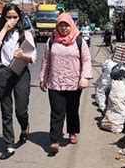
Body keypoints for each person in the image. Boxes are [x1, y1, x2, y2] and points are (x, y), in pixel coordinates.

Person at [39, 13, 93, 154]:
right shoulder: (51, 41)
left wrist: (85, 77)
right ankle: (55, 140)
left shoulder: (79, 41)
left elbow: (86, 60)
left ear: (72, 26)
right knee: (57, 111)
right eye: (61, 25)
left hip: (74, 82)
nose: (64, 28)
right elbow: (46, 61)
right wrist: (43, 78)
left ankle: (72, 132)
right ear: (57, 26)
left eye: (66, 25)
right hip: (55, 82)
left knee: (72, 109)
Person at [0, 3, 37, 160]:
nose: (12, 20)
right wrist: (4, 29)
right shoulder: (0, 33)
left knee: (21, 109)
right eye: (8, 17)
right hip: (4, 72)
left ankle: (24, 127)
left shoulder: (26, 34)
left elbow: (33, 57)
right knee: (6, 110)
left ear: (20, 17)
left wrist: (23, 56)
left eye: (15, 17)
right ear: (4, 17)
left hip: (21, 72)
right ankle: (9, 145)